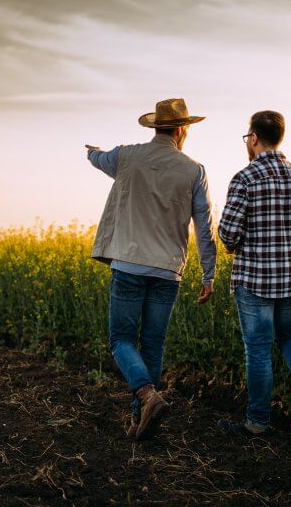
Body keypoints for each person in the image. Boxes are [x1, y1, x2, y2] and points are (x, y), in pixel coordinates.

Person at [85, 98, 217, 440]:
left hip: (129, 265)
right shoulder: (194, 170)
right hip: (167, 272)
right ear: (182, 130)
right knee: (152, 345)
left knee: (121, 340)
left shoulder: (127, 156)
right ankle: (138, 420)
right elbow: (204, 226)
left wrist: (92, 151)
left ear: (155, 127)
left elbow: (99, 159)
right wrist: (208, 273)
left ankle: (146, 396)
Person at [217, 110, 291, 438]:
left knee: (259, 348)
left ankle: (257, 422)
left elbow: (228, 234)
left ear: (253, 138)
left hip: (255, 281)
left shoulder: (244, 178)